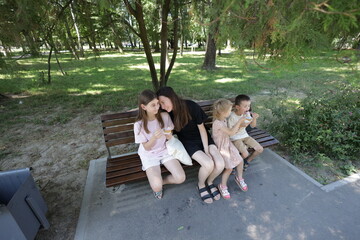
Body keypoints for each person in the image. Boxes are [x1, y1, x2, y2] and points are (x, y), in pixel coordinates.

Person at [157, 87, 224, 204]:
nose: (162, 106)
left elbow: (202, 130)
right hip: (188, 143)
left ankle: (210, 182)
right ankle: (201, 184)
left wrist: (207, 149)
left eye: (163, 102)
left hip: (203, 138)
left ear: (171, 97)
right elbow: (168, 134)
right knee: (208, 164)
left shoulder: (191, 106)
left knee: (220, 164)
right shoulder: (167, 114)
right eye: (160, 104)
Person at [134, 89, 185, 199]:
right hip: (149, 155)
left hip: (164, 150)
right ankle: (157, 184)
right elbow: (146, 148)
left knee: (180, 178)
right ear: (143, 107)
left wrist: (168, 133)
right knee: (156, 187)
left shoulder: (165, 116)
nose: (157, 107)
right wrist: (153, 138)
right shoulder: (139, 125)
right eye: (153, 105)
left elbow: (169, 134)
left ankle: (161, 181)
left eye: (157, 103)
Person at [212, 99, 248, 199]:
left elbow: (231, 132)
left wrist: (240, 125)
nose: (231, 112)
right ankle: (222, 186)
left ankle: (239, 178)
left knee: (240, 160)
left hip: (228, 144)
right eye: (229, 110)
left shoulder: (223, 119)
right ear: (223, 112)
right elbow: (231, 132)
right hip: (221, 147)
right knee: (229, 167)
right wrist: (240, 121)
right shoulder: (217, 123)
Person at [227, 94, 263, 170]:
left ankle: (246, 161)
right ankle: (234, 164)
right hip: (235, 138)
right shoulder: (232, 117)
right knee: (245, 153)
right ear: (237, 107)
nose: (248, 108)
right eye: (245, 106)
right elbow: (230, 132)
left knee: (260, 149)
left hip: (245, 136)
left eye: (248, 106)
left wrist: (254, 118)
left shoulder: (246, 114)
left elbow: (253, 126)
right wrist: (240, 125)